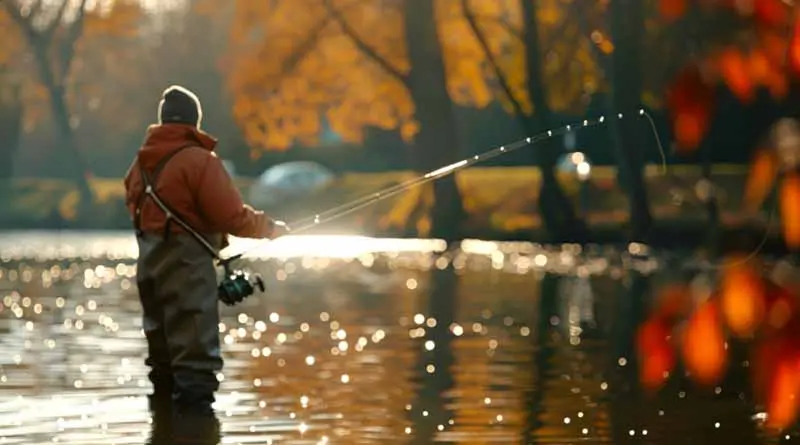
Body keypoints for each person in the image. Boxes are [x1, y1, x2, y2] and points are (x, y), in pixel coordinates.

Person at [124, 85, 286, 444]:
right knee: (195, 364)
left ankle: (162, 432)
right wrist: (270, 229)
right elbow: (231, 215)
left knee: (162, 363)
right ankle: (198, 435)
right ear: (195, 120)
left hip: (149, 271)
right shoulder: (198, 161)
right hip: (187, 271)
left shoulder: (139, 165)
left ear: (162, 119)